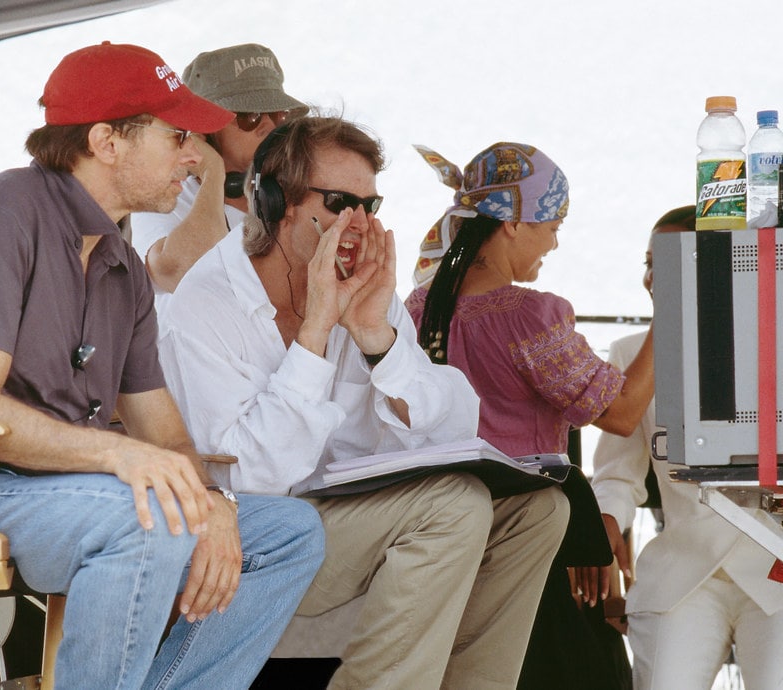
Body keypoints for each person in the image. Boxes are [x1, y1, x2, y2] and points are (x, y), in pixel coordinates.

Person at [0, 42, 324, 688]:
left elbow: (162, 433)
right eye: (175, 136)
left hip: (58, 489)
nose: (194, 155)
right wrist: (120, 458)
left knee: (288, 532)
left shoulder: (123, 265)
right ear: (107, 141)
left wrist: (215, 500)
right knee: (147, 516)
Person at [158, 116, 570, 689]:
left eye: (370, 206)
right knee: (454, 505)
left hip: (351, 519)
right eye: (339, 201)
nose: (358, 222)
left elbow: (449, 427)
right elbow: (251, 476)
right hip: (258, 531)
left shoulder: (361, 285)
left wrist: (378, 337)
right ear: (275, 199)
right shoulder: (207, 303)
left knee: (539, 512)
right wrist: (317, 332)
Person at [409, 141, 655, 690]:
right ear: (514, 223)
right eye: (552, 224)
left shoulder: (420, 309)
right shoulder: (530, 318)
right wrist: (673, 311)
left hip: (449, 535)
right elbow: (620, 413)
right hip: (537, 534)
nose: (556, 240)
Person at [589, 205, 783, 690]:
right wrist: (601, 527)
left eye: (671, 262)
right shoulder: (630, 356)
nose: (654, 278)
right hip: (683, 572)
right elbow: (617, 474)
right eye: (649, 263)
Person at [131, 42, 307, 313]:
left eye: (279, 114)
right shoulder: (163, 198)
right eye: (251, 116)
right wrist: (213, 173)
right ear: (204, 130)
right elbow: (178, 272)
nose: (271, 127)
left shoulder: (304, 194)